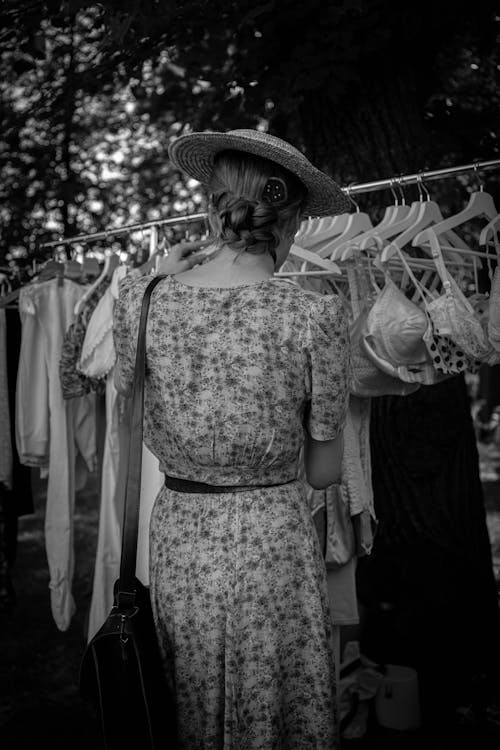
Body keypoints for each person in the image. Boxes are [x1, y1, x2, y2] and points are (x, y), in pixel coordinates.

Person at [113, 129, 351, 750]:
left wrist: (157, 276)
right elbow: (325, 472)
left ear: (211, 207)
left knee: (191, 692)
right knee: (276, 700)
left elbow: (126, 410)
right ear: (292, 217)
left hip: (182, 533)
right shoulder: (314, 313)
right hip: (273, 536)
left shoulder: (141, 299)